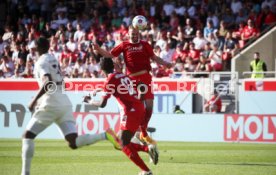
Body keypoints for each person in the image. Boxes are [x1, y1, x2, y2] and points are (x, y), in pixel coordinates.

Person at [21, 37, 119, 175]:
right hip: (64, 103)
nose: (33, 50)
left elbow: (48, 83)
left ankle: (25, 173)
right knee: (74, 142)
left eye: (34, 48)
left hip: (50, 103)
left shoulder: (41, 62)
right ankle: (105, 135)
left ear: (37, 48)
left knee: (27, 135)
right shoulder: (53, 58)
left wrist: (34, 100)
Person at [92, 25, 172, 145]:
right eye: (132, 34)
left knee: (149, 107)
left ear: (138, 33)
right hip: (131, 79)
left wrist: (165, 63)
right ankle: (136, 132)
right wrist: (98, 49)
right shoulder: (124, 45)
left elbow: (154, 57)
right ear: (128, 34)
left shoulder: (145, 44)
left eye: (136, 34)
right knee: (136, 106)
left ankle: (143, 133)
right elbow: (110, 55)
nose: (134, 36)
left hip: (145, 77)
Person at [83, 58, 158, 175]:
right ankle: (148, 149)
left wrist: (90, 101)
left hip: (130, 112)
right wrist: (140, 99)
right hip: (138, 108)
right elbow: (141, 85)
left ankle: (146, 170)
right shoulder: (121, 75)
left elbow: (102, 104)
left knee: (122, 142)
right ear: (113, 66)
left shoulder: (110, 80)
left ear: (101, 70)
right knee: (119, 142)